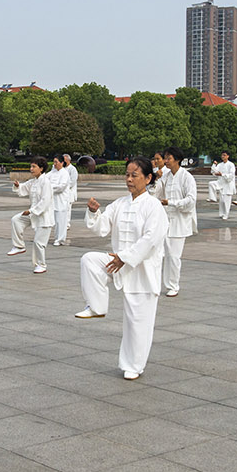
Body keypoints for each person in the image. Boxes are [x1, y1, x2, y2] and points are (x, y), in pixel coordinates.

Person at [76, 157, 169, 380]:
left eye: (134, 175)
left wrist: (125, 258)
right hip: (118, 263)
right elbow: (101, 229)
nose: (128, 179)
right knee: (89, 260)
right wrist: (93, 213)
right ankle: (97, 307)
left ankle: (133, 366)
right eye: (127, 174)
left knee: (138, 323)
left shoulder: (153, 206)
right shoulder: (120, 203)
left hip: (142, 271)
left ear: (147, 178)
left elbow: (151, 240)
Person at [156, 147, 198, 296]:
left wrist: (172, 203)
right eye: (165, 158)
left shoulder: (187, 177)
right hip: (165, 220)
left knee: (173, 256)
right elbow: (156, 194)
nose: (166, 161)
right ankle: (158, 283)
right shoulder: (165, 176)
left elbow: (191, 200)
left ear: (177, 159)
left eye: (169, 158)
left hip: (180, 221)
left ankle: (173, 285)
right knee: (159, 253)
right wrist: (156, 179)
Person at [11, 157, 55, 273]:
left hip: (44, 217)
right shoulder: (34, 181)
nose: (31, 169)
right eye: (31, 166)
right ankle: (19, 245)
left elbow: (45, 201)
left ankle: (41, 265)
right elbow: (23, 189)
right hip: (34, 214)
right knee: (16, 220)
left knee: (39, 243)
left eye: (34, 167)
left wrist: (31, 211)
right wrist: (17, 186)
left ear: (41, 168)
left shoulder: (46, 182)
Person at [48, 155, 74, 248]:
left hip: (61, 201)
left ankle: (60, 239)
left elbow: (61, 187)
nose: (54, 164)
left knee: (61, 221)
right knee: (54, 220)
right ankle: (56, 237)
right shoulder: (52, 173)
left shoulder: (64, 173)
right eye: (54, 162)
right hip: (53, 200)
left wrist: (50, 187)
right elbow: (44, 181)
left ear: (62, 163)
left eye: (56, 162)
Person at [209, 150, 236, 220]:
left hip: (228, 184)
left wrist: (222, 174)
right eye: (222, 155)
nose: (223, 156)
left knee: (226, 201)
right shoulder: (220, 165)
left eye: (224, 155)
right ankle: (213, 198)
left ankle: (226, 214)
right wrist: (214, 165)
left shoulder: (231, 165)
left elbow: (231, 175)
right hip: (220, 183)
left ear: (228, 156)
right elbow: (213, 171)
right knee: (211, 184)